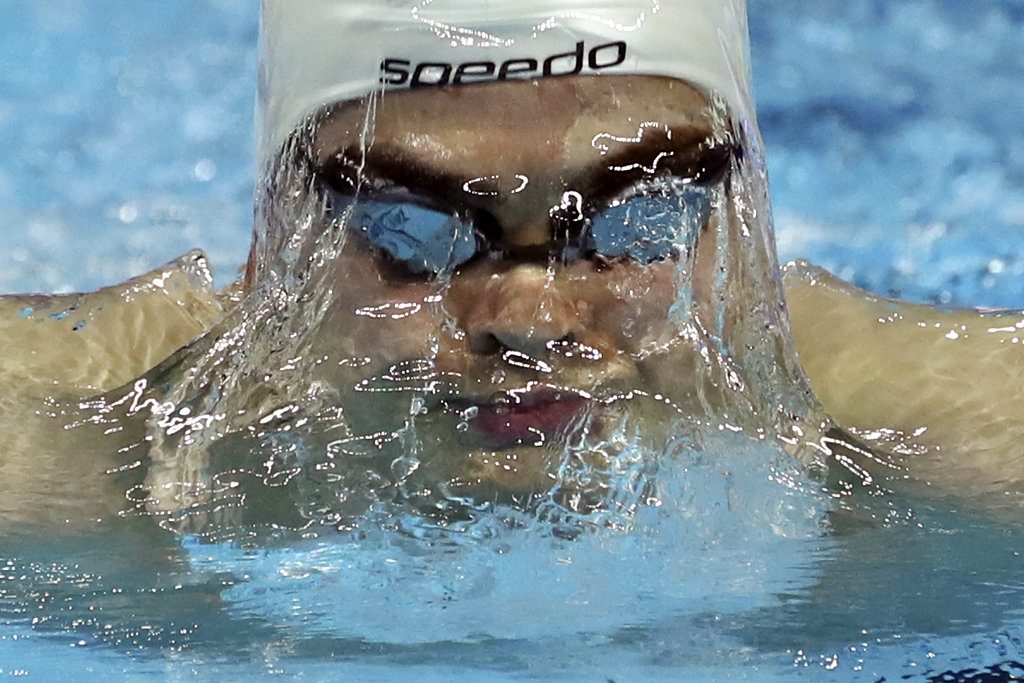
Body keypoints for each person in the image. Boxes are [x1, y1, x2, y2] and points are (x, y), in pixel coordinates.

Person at [0, 0, 1016, 533]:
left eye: (640, 220)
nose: (527, 316)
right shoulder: (86, 469)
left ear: (742, 231)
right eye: (413, 235)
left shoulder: (939, 443)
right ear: (273, 250)